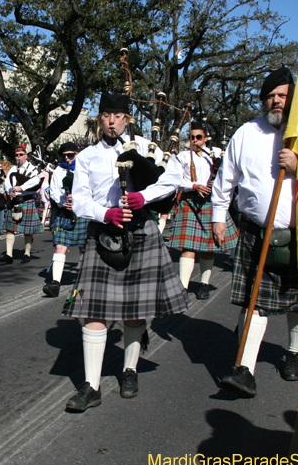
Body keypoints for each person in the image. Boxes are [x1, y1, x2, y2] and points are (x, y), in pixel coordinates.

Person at [61, 92, 187, 412]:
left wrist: (145, 196)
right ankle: (91, 386)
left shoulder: (145, 147)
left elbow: (174, 179)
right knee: (92, 309)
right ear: (99, 119)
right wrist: (106, 213)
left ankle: (129, 370)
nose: (111, 121)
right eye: (106, 115)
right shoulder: (87, 156)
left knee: (134, 309)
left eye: (118, 115)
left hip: (141, 229)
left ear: (126, 119)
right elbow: (80, 199)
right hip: (103, 231)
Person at [211, 68, 298, 398]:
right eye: (271, 95)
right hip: (255, 231)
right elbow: (226, 178)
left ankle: (294, 353)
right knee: (254, 300)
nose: (276, 101)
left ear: (293, 99)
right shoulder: (246, 133)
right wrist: (218, 216)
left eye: (283, 95)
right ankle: (244, 370)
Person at [169, 122, 238, 300]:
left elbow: (229, 175)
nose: (195, 140)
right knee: (188, 247)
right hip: (190, 201)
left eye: (199, 137)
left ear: (205, 138)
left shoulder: (216, 154)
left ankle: (204, 284)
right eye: (192, 137)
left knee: (208, 248)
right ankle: (182, 288)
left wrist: (218, 182)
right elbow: (174, 179)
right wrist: (194, 186)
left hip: (210, 202)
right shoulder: (182, 156)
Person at [43, 142, 88, 297]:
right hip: (65, 213)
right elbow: (54, 191)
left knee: (83, 247)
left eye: (70, 155)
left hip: (82, 212)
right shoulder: (58, 171)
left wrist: (78, 200)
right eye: (64, 156)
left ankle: (85, 278)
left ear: (77, 154)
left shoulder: (85, 168)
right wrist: (64, 202)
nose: (67, 158)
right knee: (60, 247)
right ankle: (55, 283)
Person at [0, 145, 43, 264]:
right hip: (14, 201)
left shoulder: (32, 169)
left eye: (21, 155)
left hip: (27, 200)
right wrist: (10, 191)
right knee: (10, 229)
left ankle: (27, 253)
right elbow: (7, 182)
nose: (18, 157)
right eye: (16, 155)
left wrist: (21, 188)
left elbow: (36, 181)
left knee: (27, 230)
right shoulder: (13, 169)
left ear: (26, 156)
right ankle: (9, 255)